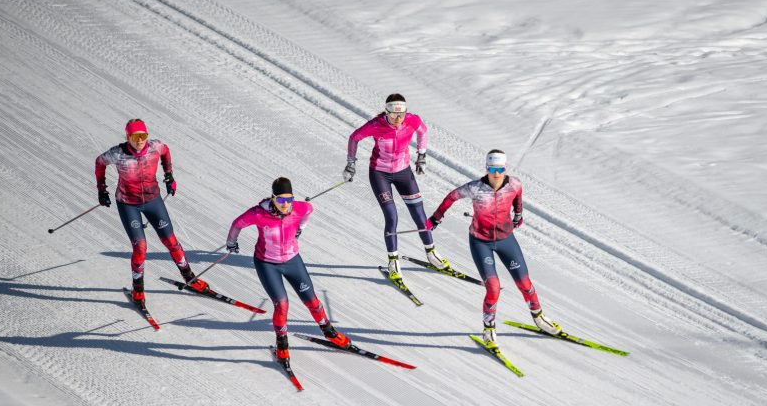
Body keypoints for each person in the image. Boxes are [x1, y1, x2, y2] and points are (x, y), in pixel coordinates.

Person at [428, 150, 561, 346]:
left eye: (500, 169)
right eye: (492, 169)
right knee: (493, 287)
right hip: (480, 242)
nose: (496, 173)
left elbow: (518, 198)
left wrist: (518, 215)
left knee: (525, 283)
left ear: (505, 168)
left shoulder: (515, 184)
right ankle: (488, 329)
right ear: (487, 169)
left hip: (506, 240)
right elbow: (451, 197)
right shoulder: (475, 188)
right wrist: (435, 217)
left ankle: (539, 317)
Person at [225, 177, 350, 361]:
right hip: (267, 263)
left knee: (312, 301)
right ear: (273, 198)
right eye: (281, 200)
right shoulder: (258, 214)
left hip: (292, 261)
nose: (286, 204)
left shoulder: (300, 208)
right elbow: (237, 224)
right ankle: (282, 344)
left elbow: (310, 210)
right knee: (282, 305)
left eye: (289, 199)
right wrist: (231, 243)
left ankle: (329, 332)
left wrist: (301, 227)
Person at [344, 93, 449, 278]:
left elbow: (423, 131)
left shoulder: (412, 120)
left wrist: (421, 155)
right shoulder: (376, 125)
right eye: (393, 115)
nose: (398, 119)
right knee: (392, 217)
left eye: (401, 114)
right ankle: (393, 261)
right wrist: (350, 163)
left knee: (419, 214)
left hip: (403, 173)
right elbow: (354, 138)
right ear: (387, 112)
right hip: (380, 174)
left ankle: (431, 252)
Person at [95, 118, 201, 301]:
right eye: (135, 137)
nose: (139, 140)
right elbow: (99, 162)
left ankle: (190, 278)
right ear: (127, 137)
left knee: (171, 241)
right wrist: (101, 190)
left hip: (153, 200)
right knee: (141, 247)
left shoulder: (155, 147)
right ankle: (138, 290)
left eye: (143, 135)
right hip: (128, 203)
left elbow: (166, 152)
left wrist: (169, 176)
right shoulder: (118, 153)